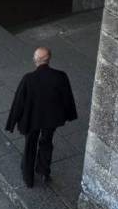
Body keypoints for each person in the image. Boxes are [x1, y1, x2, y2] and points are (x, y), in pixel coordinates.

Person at [5, 47, 77, 188]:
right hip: (51, 119)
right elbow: (67, 98)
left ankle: (28, 177)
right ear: (48, 59)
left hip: (32, 120)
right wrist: (70, 115)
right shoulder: (61, 76)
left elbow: (18, 102)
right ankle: (44, 171)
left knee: (30, 145)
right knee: (46, 142)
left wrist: (11, 123)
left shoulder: (28, 79)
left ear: (36, 60)